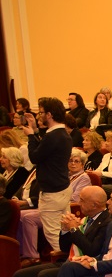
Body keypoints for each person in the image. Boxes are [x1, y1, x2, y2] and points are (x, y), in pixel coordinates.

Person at [22, 97, 73, 251]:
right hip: (62, 188)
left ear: (49, 115)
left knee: (52, 233)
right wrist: (36, 131)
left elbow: (35, 157)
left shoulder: (53, 136)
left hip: (52, 192)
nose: (40, 116)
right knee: (65, 230)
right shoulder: (62, 134)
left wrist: (30, 136)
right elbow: (44, 150)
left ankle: (66, 262)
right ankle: (70, 259)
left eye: (41, 113)